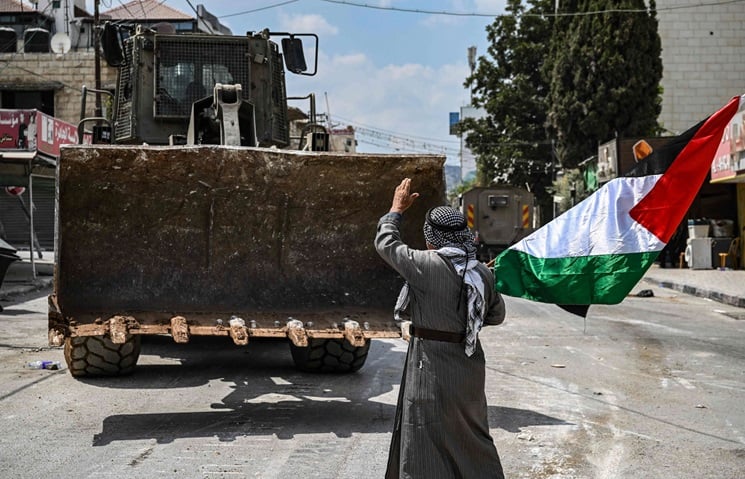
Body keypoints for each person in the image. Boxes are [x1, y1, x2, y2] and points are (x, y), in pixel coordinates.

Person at [374, 178, 506, 479]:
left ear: (430, 237)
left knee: (424, 436)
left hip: (429, 366)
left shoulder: (424, 264)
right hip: (469, 369)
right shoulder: (482, 273)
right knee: (471, 436)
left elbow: (385, 243)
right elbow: (495, 315)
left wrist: (396, 209)